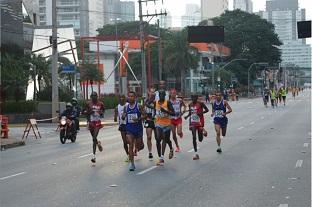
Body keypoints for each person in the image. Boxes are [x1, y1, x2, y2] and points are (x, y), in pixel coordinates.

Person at [122, 91, 145, 171]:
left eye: (132, 96)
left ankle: (141, 145)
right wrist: (123, 116)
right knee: (130, 145)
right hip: (129, 129)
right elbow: (123, 117)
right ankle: (132, 164)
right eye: (129, 96)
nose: (130, 98)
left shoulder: (139, 106)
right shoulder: (126, 107)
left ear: (135, 98)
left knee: (140, 146)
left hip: (138, 129)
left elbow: (145, 115)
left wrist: (138, 119)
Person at [153, 90, 175, 166]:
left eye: (163, 94)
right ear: (158, 95)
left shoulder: (167, 103)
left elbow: (173, 113)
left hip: (167, 124)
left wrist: (166, 111)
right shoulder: (155, 103)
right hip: (158, 123)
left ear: (165, 95)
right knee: (158, 138)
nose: (161, 95)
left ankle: (162, 157)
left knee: (166, 139)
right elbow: (154, 111)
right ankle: (160, 156)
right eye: (160, 94)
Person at [184, 94, 209, 160]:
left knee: (200, 139)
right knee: (194, 137)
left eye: (194, 97)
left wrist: (201, 113)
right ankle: (196, 154)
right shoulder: (190, 104)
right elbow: (190, 112)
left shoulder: (201, 103)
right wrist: (187, 116)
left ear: (197, 98)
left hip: (199, 121)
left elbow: (207, 110)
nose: (193, 99)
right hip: (192, 122)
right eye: (192, 98)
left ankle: (203, 132)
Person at [84, 92, 105, 164]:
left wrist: (100, 112)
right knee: (94, 138)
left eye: (95, 96)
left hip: (97, 122)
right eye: (92, 96)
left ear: (97, 96)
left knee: (94, 138)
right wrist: (89, 112)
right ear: (90, 97)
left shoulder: (101, 104)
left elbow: (103, 113)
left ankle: (93, 156)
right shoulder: (88, 104)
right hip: (91, 122)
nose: (93, 97)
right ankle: (98, 143)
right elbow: (84, 112)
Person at [114, 94, 129, 162]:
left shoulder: (128, 105)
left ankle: (133, 150)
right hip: (122, 125)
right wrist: (115, 116)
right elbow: (116, 118)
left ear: (125, 98)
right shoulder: (117, 107)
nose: (122, 99)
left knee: (130, 140)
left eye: (123, 97)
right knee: (125, 142)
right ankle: (128, 155)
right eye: (120, 97)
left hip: (129, 124)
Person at [144, 88, 156, 160]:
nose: (152, 93)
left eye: (153, 92)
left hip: (156, 120)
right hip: (148, 120)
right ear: (149, 92)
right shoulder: (145, 101)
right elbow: (143, 109)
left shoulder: (156, 101)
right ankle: (150, 152)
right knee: (149, 137)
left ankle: (160, 153)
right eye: (151, 92)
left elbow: (156, 108)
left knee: (158, 138)